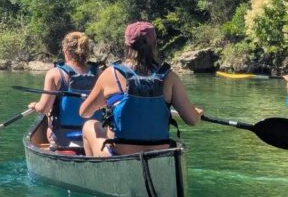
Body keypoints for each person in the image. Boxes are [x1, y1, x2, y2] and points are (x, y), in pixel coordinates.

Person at [78, 22, 202, 157]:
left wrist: (106, 104)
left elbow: (84, 112)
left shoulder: (111, 73)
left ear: (126, 44)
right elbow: (192, 120)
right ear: (154, 44)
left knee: (89, 125)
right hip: (158, 154)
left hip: (120, 154)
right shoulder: (170, 77)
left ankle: (96, 173)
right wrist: (197, 113)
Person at [28, 31, 102, 149]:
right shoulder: (98, 72)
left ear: (66, 50)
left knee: (48, 121)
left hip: (64, 137)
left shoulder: (55, 74)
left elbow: (44, 108)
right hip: (95, 134)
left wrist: (35, 105)